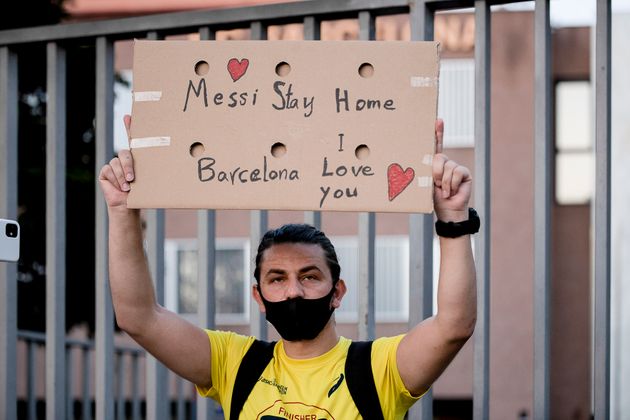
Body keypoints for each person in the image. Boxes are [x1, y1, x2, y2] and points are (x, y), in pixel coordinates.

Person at [98, 116, 476, 419]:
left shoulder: (378, 368)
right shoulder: (234, 363)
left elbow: (453, 326)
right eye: (276, 279)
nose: (293, 291)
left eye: (309, 276)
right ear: (258, 297)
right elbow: (138, 317)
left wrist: (454, 218)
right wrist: (120, 211)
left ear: (337, 291)